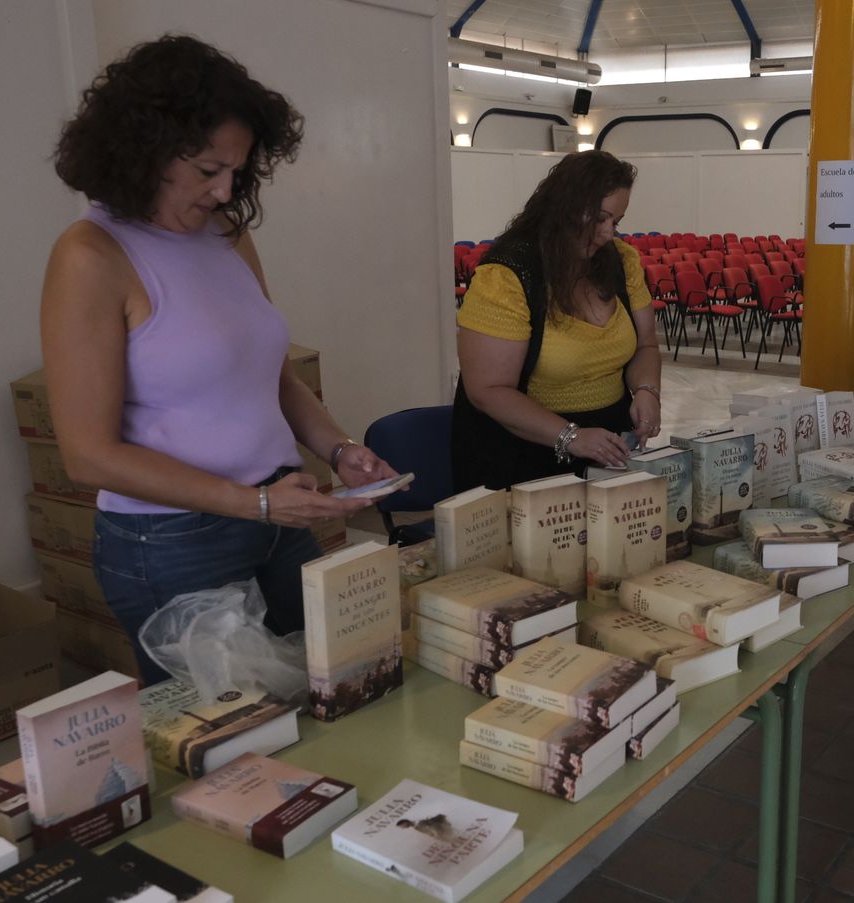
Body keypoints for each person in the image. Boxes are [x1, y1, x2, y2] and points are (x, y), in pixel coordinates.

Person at [41, 36, 396, 685]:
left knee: (338, 688)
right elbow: (87, 454)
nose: (226, 188)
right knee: (232, 747)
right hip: (173, 541)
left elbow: (273, 375)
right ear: (143, 151)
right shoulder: (91, 255)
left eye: (238, 170)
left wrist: (339, 447)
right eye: (208, 170)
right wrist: (251, 502)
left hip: (277, 515)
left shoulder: (228, 233)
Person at [452, 151, 661, 490]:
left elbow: (646, 345)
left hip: (604, 445)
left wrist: (647, 391)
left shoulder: (621, 262)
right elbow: (487, 391)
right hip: (523, 453)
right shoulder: (507, 276)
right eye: (599, 219)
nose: (608, 234)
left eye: (616, 222)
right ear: (562, 208)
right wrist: (571, 436)